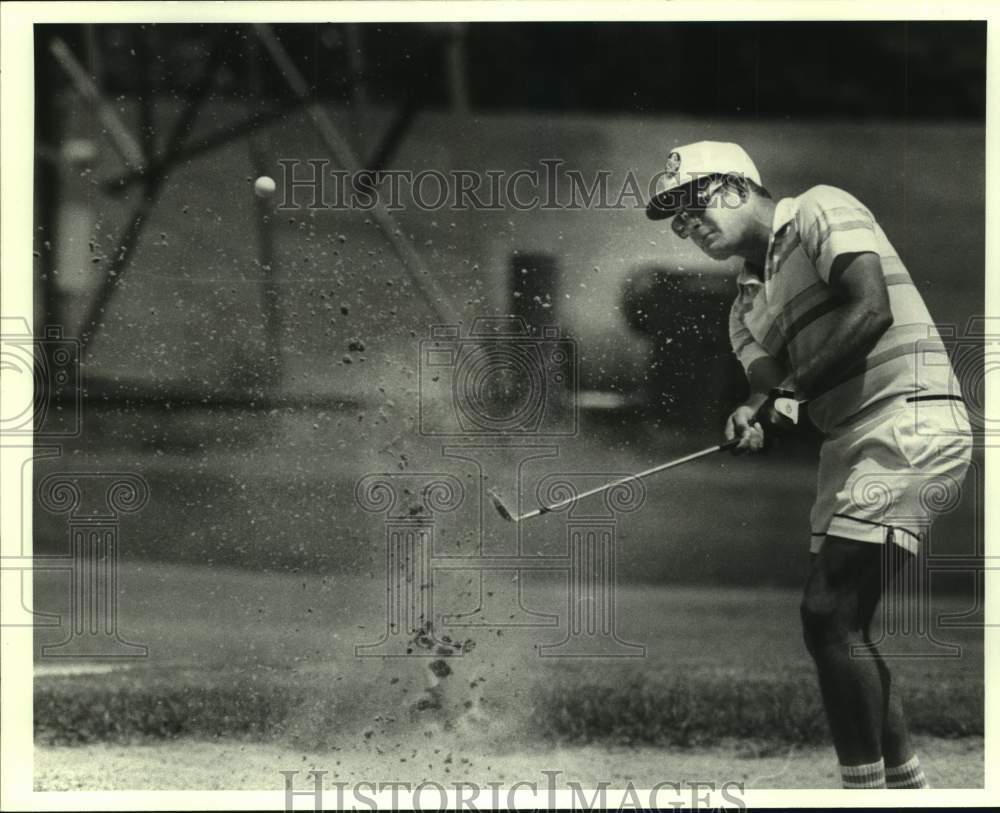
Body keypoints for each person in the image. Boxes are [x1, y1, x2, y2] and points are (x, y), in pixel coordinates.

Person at [646, 141, 972, 789]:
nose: (689, 226)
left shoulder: (821, 209)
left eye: (694, 204)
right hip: (848, 443)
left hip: (910, 417)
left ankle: (865, 793)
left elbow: (870, 308)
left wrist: (790, 392)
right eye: (677, 220)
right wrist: (752, 411)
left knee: (826, 611)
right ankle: (906, 788)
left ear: (738, 187)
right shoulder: (742, 308)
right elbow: (768, 386)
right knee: (841, 621)